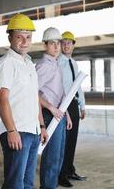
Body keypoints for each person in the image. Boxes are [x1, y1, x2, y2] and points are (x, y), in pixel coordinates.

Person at [0, 13, 48, 189]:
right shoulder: (6, 63)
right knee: (14, 183)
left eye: (28, 37)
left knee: (27, 183)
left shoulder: (29, 63)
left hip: (32, 131)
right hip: (17, 131)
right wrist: (11, 130)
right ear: (10, 37)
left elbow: (34, 98)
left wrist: (41, 126)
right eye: (19, 37)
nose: (24, 41)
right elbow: (2, 99)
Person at [36, 27, 72, 189]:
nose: (57, 46)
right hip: (50, 115)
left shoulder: (56, 64)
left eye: (58, 43)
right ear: (45, 45)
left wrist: (67, 114)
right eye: (52, 43)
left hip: (60, 114)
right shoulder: (44, 65)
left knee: (58, 157)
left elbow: (60, 92)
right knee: (51, 158)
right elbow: (33, 93)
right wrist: (51, 108)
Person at [58, 31, 86, 188]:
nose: (67, 45)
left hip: (74, 104)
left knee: (72, 141)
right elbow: (60, 87)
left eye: (70, 42)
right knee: (64, 141)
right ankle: (61, 174)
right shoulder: (58, 63)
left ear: (73, 45)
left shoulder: (74, 63)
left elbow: (78, 86)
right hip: (64, 104)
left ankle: (69, 170)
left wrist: (82, 105)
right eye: (64, 42)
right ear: (60, 44)